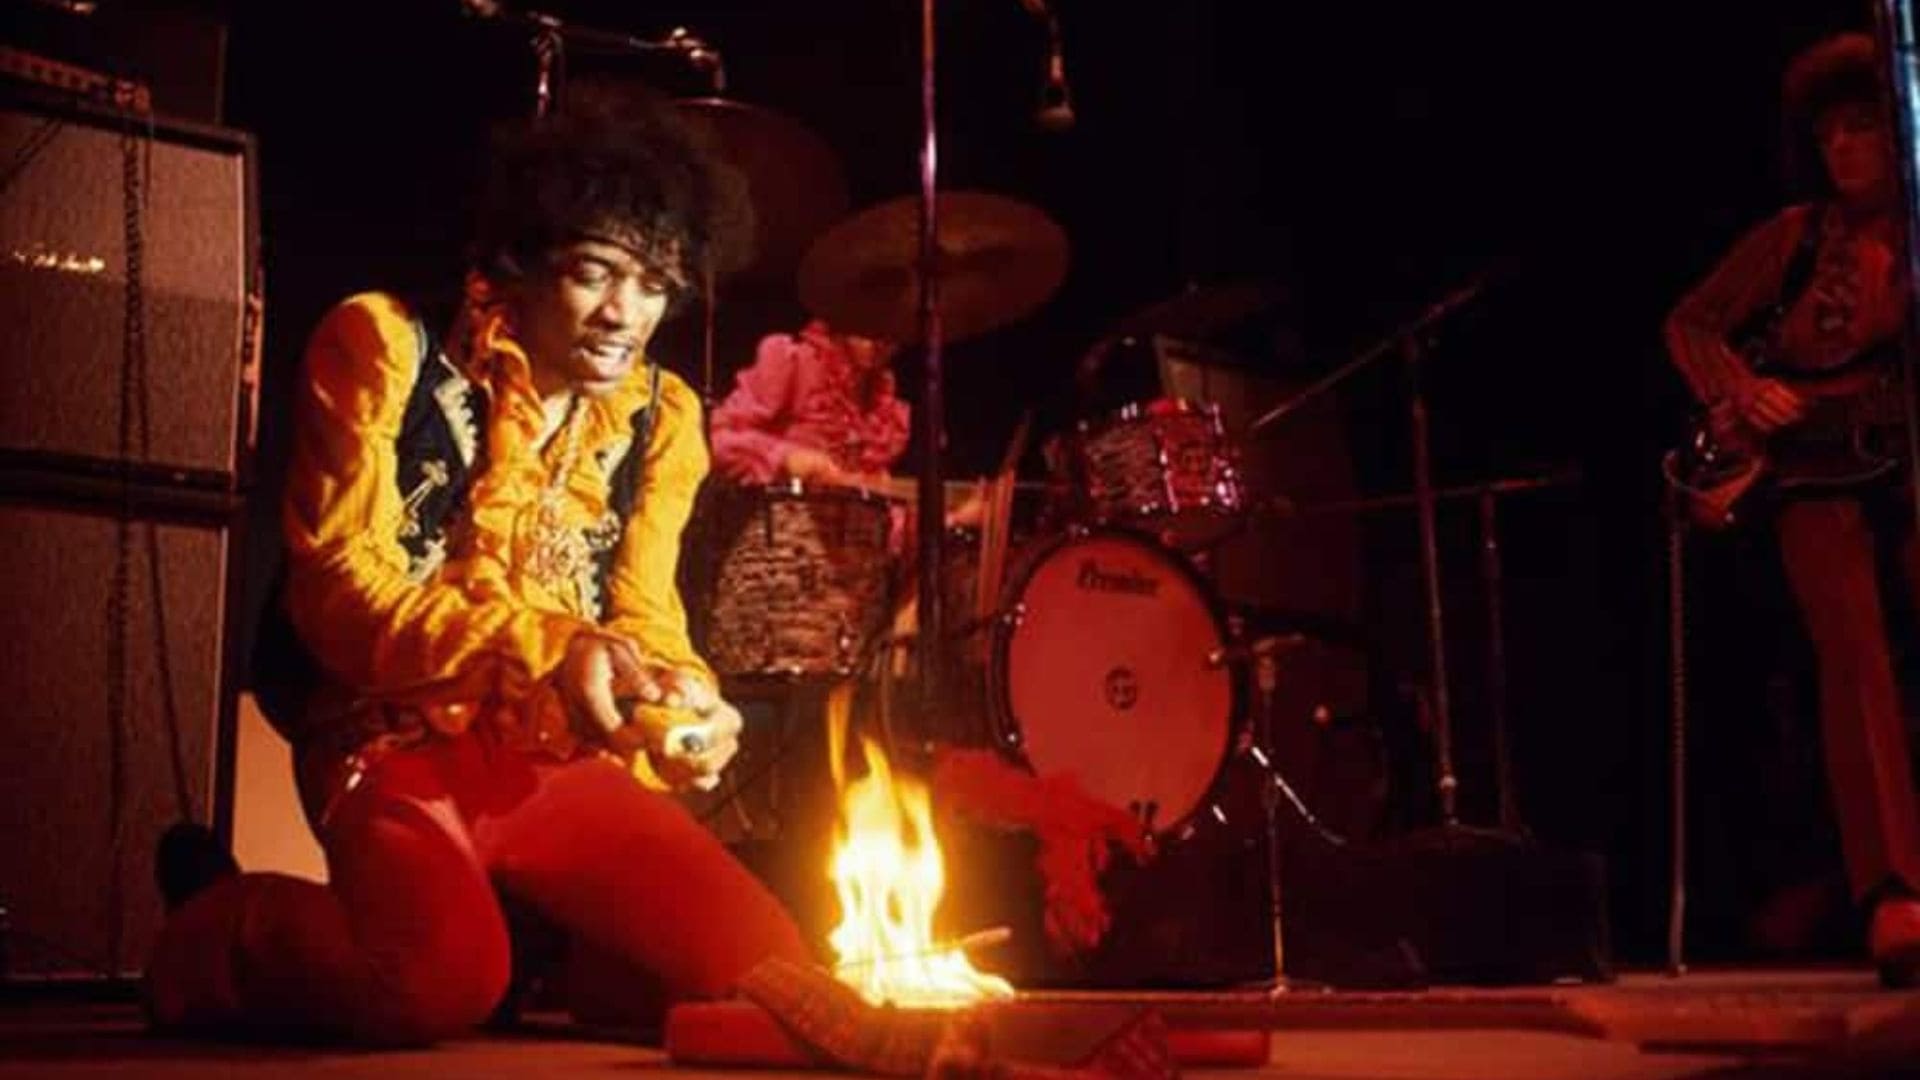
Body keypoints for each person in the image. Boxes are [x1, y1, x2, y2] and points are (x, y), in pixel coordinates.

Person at [143, 86, 809, 1043]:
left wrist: (680, 695)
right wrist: (542, 649)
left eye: (656, 284)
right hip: (385, 737)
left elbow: (644, 612)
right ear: (524, 262)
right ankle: (214, 920)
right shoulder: (381, 345)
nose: (627, 313)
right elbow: (337, 594)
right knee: (432, 978)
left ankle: (558, 949)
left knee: (769, 974)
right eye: (595, 273)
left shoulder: (663, 419)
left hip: (543, 763)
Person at [1664, 30, 1920, 986]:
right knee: (1851, 654)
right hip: (1813, 475)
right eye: (1830, 136)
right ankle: (1894, 891)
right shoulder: (1796, 235)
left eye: (1863, 129)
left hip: (1904, 461)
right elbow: (1690, 320)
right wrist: (1740, 391)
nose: (1845, 151)